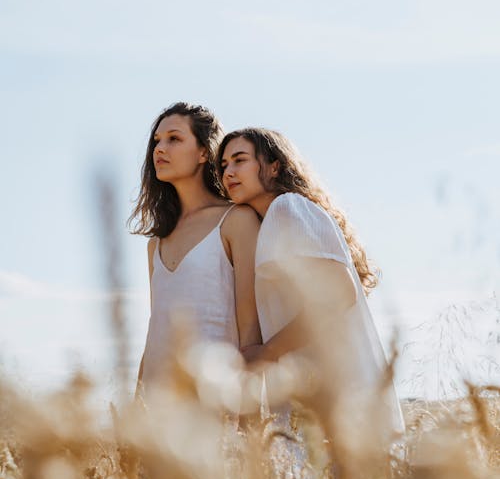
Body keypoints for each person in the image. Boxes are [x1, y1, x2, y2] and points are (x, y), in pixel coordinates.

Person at [217, 127, 404, 450]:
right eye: (223, 165)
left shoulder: (288, 208)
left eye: (239, 160)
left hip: (333, 389)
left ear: (274, 166)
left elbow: (338, 293)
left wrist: (268, 352)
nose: (228, 172)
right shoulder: (274, 220)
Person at [129, 103, 261, 399]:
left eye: (174, 139)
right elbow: (156, 332)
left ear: (204, 152)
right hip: (158, 405)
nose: (160, 149)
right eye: (157, 141)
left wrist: (250, 426)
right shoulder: (156, 243)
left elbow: (251, 329)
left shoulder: (236, 221)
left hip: (216, 399)